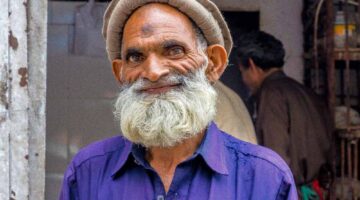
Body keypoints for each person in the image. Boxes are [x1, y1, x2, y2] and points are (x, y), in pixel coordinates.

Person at [59, 1, 297, 199]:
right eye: (135, 56)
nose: (153, 72)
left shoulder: (266, 179)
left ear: (213, 63)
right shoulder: (87, 173)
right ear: (120, 73)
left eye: (174, 50)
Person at [236, 31, 333, 190]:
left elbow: (275, 160)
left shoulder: (271, 94)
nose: (243, 80)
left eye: (242, 72)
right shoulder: (305, 92)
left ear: (252, 65)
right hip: (318, 190)